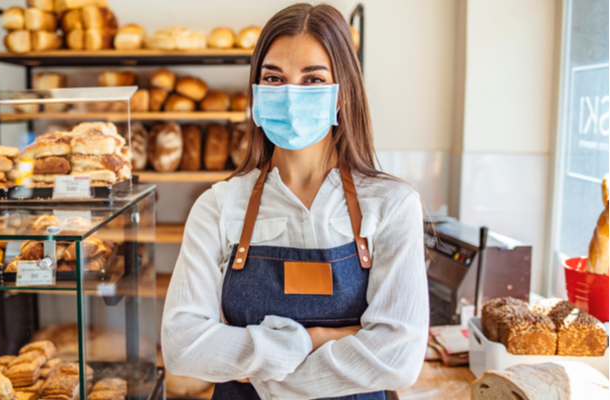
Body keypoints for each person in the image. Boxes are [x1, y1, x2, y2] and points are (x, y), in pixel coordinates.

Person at [161, 3, 428, 399]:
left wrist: (258, 369)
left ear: (342, 94)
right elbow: (183, 347)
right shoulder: (218, 206)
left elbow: (398, 359)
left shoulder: (392, 205)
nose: (289, 95)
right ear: (256, 92)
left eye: (313, 79)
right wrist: (310, 341)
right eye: (273, 78)